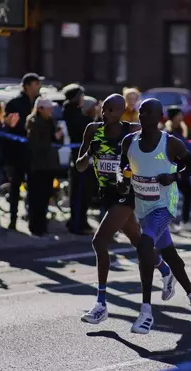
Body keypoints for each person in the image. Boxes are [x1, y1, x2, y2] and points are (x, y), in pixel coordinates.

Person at [77, 94, 177, 324]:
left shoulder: (131, 132)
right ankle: (165, 270)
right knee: (137, 241)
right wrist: (89, 154)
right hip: (107, 195)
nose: (105, 114)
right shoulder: (93, 131)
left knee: (99, 242)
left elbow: (156, 142)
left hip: (129, 194)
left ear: (120, 112)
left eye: (111, 110)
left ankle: (101, 304)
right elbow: (80, 166)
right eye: (104, 109)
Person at [117, 98, 191, 334]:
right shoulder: (129, 142)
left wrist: (173, 177)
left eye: (146, 112)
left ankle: (146, 311)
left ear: (159, 118)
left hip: (165, 205)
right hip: (142, 206)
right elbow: (122, 168)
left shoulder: (171, 144)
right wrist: (123, 178)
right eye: (140, 112)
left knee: (145, 246)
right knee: (169, 253)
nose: (141, 115)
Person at [4, 73, 43, 230]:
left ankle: (33, 220)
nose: (38, 87)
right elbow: (9, 125)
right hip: (18, 152)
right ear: (27, 85)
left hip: (35, 153)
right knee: (15, 187)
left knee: (35, 188)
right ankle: (13, 219)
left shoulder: (40, 103)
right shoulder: (15, 103)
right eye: (36, 84)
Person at [63, 83, 97, 235]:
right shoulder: (72, 113)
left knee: (85, 193)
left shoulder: (77, 113)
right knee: (79, 193)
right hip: (79, 157)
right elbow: (86, 128)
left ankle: (80, 221)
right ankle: (77, 225)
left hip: (83, 156)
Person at [26, 97, 62, 237]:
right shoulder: (33, 122)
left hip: (50, 165)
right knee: (36, 196)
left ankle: (43, 224)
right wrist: (52, 138)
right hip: (38, 165)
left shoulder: (51, 122)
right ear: (40, 109)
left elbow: (58, 141)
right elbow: (36, 145)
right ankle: (35, 226)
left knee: (46, 195)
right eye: (48, 108)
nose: (51, 111)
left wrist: (58, 136)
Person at [164, 106, 191, 231]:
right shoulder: (168, 131)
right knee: (172, 196)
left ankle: (184, 221)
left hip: (182, 168)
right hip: (172, 168)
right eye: (179, 114)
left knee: (188, 193)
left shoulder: (181, 129)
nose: (181, 117)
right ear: (173, 116)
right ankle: (168, 223)